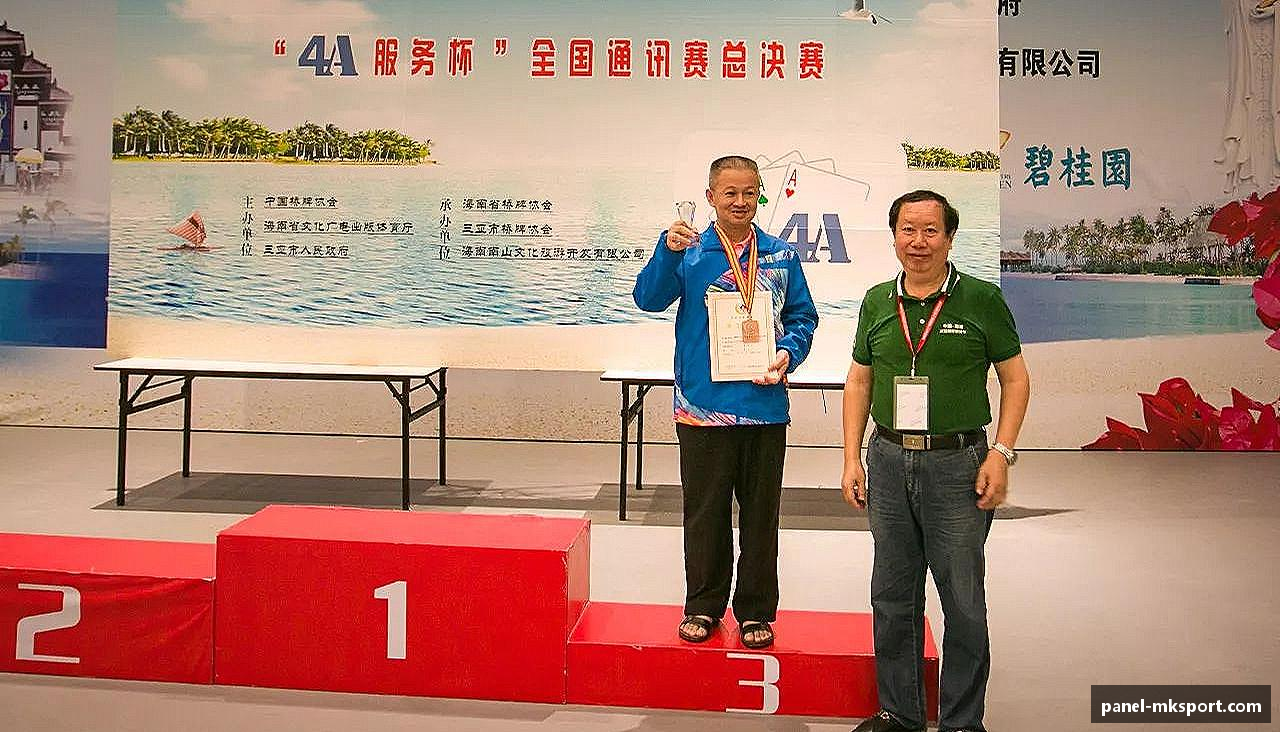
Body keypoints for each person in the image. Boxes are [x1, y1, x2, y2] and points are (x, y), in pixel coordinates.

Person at [841, 190, 1030, 732]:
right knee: (892, 595)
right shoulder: (877, 301)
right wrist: (851, 458)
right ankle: (899, 714)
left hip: (958, 464)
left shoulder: (981, 299)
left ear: (949, 238)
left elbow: (1016, 379)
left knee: (962, 600)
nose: (918, 242)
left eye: (930, 231)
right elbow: (859, 381)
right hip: (887, 459)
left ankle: (962, 722)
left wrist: (1001, 453)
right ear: (894, 236)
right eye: (908, 229)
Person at [633, 155, 818, 650]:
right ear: (711, 196)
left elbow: (803, 317)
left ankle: (756, 611)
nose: (740, 202)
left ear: (760, 195)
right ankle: (703, 604)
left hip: (764, 404)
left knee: (761, 515)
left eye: (749, 192)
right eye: (730, 193)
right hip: (701, 406)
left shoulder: (780, 255)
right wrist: (666, 250)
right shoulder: (689, 252)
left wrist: (788, 352)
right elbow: (647, 299)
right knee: (705, 513)